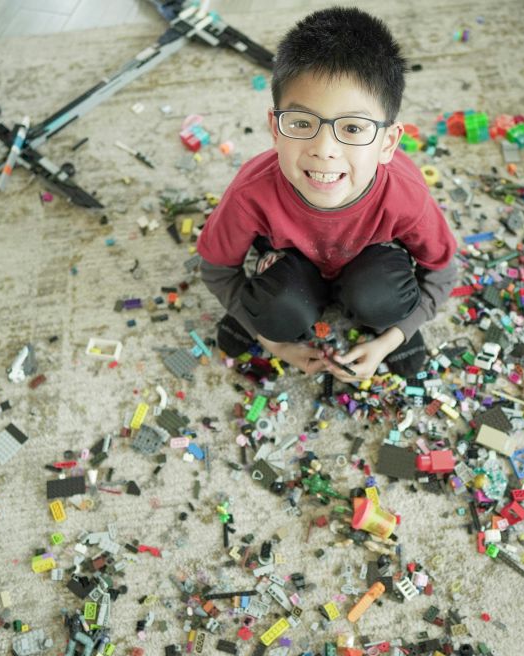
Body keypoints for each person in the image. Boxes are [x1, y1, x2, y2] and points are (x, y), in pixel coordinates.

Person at [196, 6, 457, 381]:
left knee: (383, 299)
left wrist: (393, 337)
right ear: (275, 127)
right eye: (301, 123)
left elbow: (442, 272)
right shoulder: (250, 193)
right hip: (289, 268)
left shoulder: (406, 196)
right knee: (278, 312)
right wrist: (272, 342)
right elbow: (218, 269)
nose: (324, 148)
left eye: (353, 128)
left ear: (388, 142)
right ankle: (264, 317)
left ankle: (389, 324)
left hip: (371, 267)